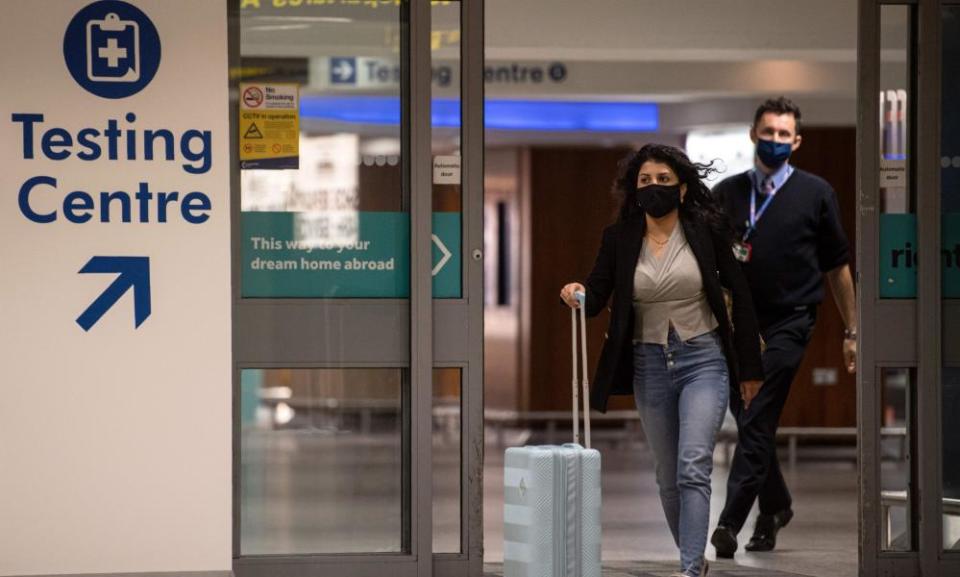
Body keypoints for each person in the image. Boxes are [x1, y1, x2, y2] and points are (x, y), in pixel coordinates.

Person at [560, 144, 764, 577]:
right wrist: (577, 292)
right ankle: (694, 556)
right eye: (644, 181)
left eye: (663, 181)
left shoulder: (705, 233)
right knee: (667, 477)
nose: (653, 188)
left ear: (683, 189)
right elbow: (597, 294)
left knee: (693, 465)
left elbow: (741, 297)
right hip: (648, 362)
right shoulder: (619, 238)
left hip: (703, 358)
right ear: (634, 191)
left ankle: (690, 568)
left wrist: (749, 369)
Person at [710, 97, 858, 558]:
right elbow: (710, 265)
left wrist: (852, 331)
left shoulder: (816, 193)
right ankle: (775, 506)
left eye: (783, 134)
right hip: (736, 326)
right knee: (754, 421)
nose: (774, 140)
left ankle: (730, 523)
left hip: (791, 320)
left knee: (756, 414)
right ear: (753, 134)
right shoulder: (727, 194)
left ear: (796, 141)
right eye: (767, 131)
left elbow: (837, 268)